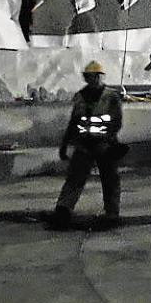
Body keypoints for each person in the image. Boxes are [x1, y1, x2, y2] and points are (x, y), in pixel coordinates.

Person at [49, 61, 125, 229]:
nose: (94, 79)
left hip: (104, 145)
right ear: (86, 78)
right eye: (91, 76)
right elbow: (74, 122)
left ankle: (112, 212)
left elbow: (116, 122)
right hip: (84, 145)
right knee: (75, 178)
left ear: (101, 77)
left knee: (110, 179)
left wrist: (106, 140)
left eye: (97, 76)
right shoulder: (81, 96)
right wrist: (64, 144)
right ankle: (64, 209)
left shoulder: (111, 97)